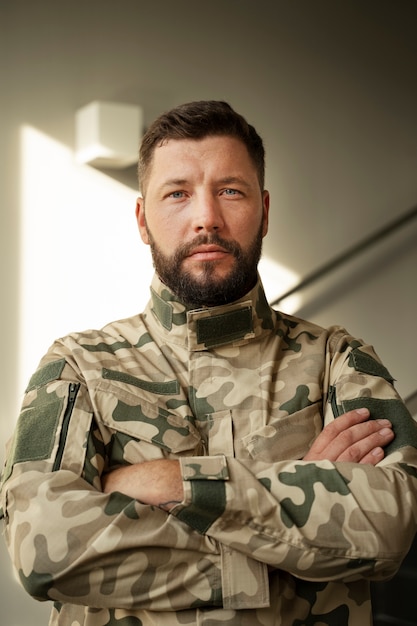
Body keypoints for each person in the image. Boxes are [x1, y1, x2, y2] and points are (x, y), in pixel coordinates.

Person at [1, 100, 416, 626]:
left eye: (230, 191)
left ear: (264, 210)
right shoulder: (77, 368)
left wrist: (173, 482)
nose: (206, 219)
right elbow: (42, 550)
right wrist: (290, 521)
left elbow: (388, 526)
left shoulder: (339, 360)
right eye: (177, 194)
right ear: (142, 219)